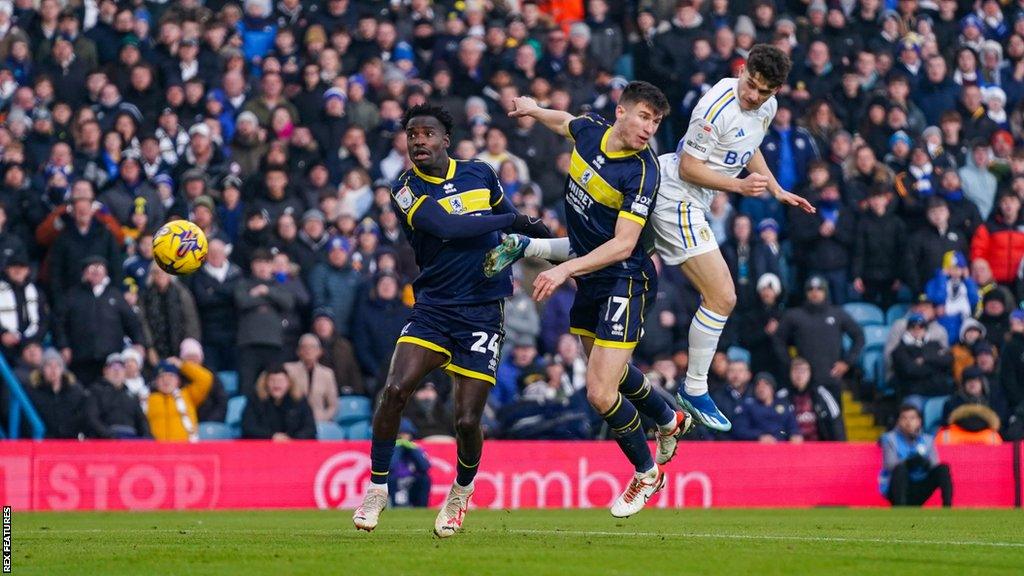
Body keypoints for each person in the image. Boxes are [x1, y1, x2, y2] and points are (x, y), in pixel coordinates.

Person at [484, 45, 813, 435]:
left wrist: (775, 188)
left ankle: (530, 246)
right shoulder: (715, 105)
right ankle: (694, 388)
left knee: (607, 254)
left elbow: (746, 146)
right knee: (723, 296)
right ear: (742, 71)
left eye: (764, 91)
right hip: (680, 197)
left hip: (687, 196)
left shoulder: (765, 109)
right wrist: (738, 187)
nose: (754, 95)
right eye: (751, 84)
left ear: (775, 92)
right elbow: (691, 168)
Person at [485, 82, 694, 518]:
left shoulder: (641, 172)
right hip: (590, 279)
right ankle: (669, 419)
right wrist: (533, 107)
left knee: (599, 393)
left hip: (623, 280)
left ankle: (645, 472)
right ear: (620, 112)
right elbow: (565, 122)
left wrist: (562, 269)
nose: (648, 128)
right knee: (612, 378)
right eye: (643, 116)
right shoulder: (590, 131)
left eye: (655, 122)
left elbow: (623, 245)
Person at [353, 104, 552, 536]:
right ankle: (377, 487)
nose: (418, 141)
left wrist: (520, 236)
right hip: (435, 307)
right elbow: (447, 227)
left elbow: (504, 224)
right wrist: (516, 221)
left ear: (446, 139)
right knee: (394, 390)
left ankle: (461, 491)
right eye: (412, 134)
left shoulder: (480, 172)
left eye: (427, 133)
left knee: (465, 421)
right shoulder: (403, 187)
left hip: (483, 309)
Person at [773, 276, 864, 395]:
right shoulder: (794, 315)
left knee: (835, 413)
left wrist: (847, 362)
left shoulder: (837, 314)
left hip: (831, 378)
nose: (814, 292)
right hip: (803, 381)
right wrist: (790, 363)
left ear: (825, 291)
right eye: (810, 289)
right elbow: (778, 339)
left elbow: (859, 336)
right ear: (806, 293)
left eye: (819, 289)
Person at [234, 248, 296, 398]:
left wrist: (265, 291)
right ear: (252, 266)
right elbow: (242, 302)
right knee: (246, 388)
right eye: (258, 263)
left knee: (273, 388)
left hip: (274, 344)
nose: (263, 267)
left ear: (272, 266)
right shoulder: (243, 283)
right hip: (249, 344)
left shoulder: (278, 285)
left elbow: (288, 302)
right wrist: (269, 301)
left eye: (267, 263)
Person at [879, 403, 953, 507]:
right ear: (899, 421)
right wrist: (909, 463)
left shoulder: (928, 440)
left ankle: (947, 506)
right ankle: (900, 508)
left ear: (919, 421)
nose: (908, 422)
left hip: (920, 486)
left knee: (943, 468)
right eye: (904, 418)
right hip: (898, 488)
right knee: (900, 469)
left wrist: (925, 463)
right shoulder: (889, 438)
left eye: (912, 418)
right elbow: (889, 464)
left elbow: (934, 464)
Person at [776, 357, 845, 441]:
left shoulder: (821, 393)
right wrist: (787, 436)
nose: (799, 375)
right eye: (795, 370)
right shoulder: (781, 396)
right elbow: (773, 425)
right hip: (789, 448)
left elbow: (836, 420)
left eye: (803, 371)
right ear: (789, 373)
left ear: (810, 373)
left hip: (819, 447)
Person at [241, 365, 317, 440]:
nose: (276, 384)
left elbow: (310, 428)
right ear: (265, 383)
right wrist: (272, 436)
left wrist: (291, 439)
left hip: (294, 445)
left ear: (289, 383)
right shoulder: (255, 400)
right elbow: (249, 427)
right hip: (263, 445)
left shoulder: (299, 400)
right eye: (272, 380)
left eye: (281, 381)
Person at [146, 358, 214, 442]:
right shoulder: (147, 399)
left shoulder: (188, 395)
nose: (166, 380)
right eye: (161, 377)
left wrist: (183, 365)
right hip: (155, 451)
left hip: (185, 449)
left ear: (178, 381)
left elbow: (206, 378)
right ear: (156, 382)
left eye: (171, 376)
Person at [87, 352, 151, 439]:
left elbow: (141, 420)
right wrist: (109, 436)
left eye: (120, 368)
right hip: (107, 439)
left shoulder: (131, 395)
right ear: (105, 371)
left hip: (131, 437)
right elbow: (92, 418)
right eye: (113, 367)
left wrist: (146, 436)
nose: (117, 371)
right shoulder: (96, 391)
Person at [730, 372, 803, 443]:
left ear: (772, 388)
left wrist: (795, 435)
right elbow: (740, 430)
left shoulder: (784, 405)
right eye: (758, 385)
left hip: (782, 447)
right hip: (756, 448)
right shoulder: (748, 406)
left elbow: (793, 427)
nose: (761, 388)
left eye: (766, 385)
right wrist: (759, 436)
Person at [284, 334, 339, 423]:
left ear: (320, 351)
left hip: (320, 421)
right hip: (293, 421)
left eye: (312, 347)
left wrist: (323, 418)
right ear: (298, 351)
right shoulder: (288, 370)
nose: (308, 350)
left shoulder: (327, 374)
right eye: (304, 347)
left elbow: (333, 405)